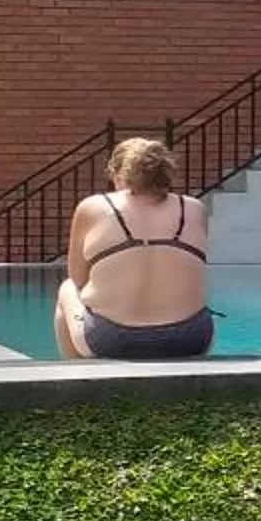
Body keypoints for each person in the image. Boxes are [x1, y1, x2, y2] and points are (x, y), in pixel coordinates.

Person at [54, 136, 215, 360]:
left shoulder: (93, 207)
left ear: (118, 174)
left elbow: (78, 278)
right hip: (189, 338)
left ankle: (77, 377)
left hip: (112, 340)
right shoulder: (195, 208)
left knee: (67, 288)